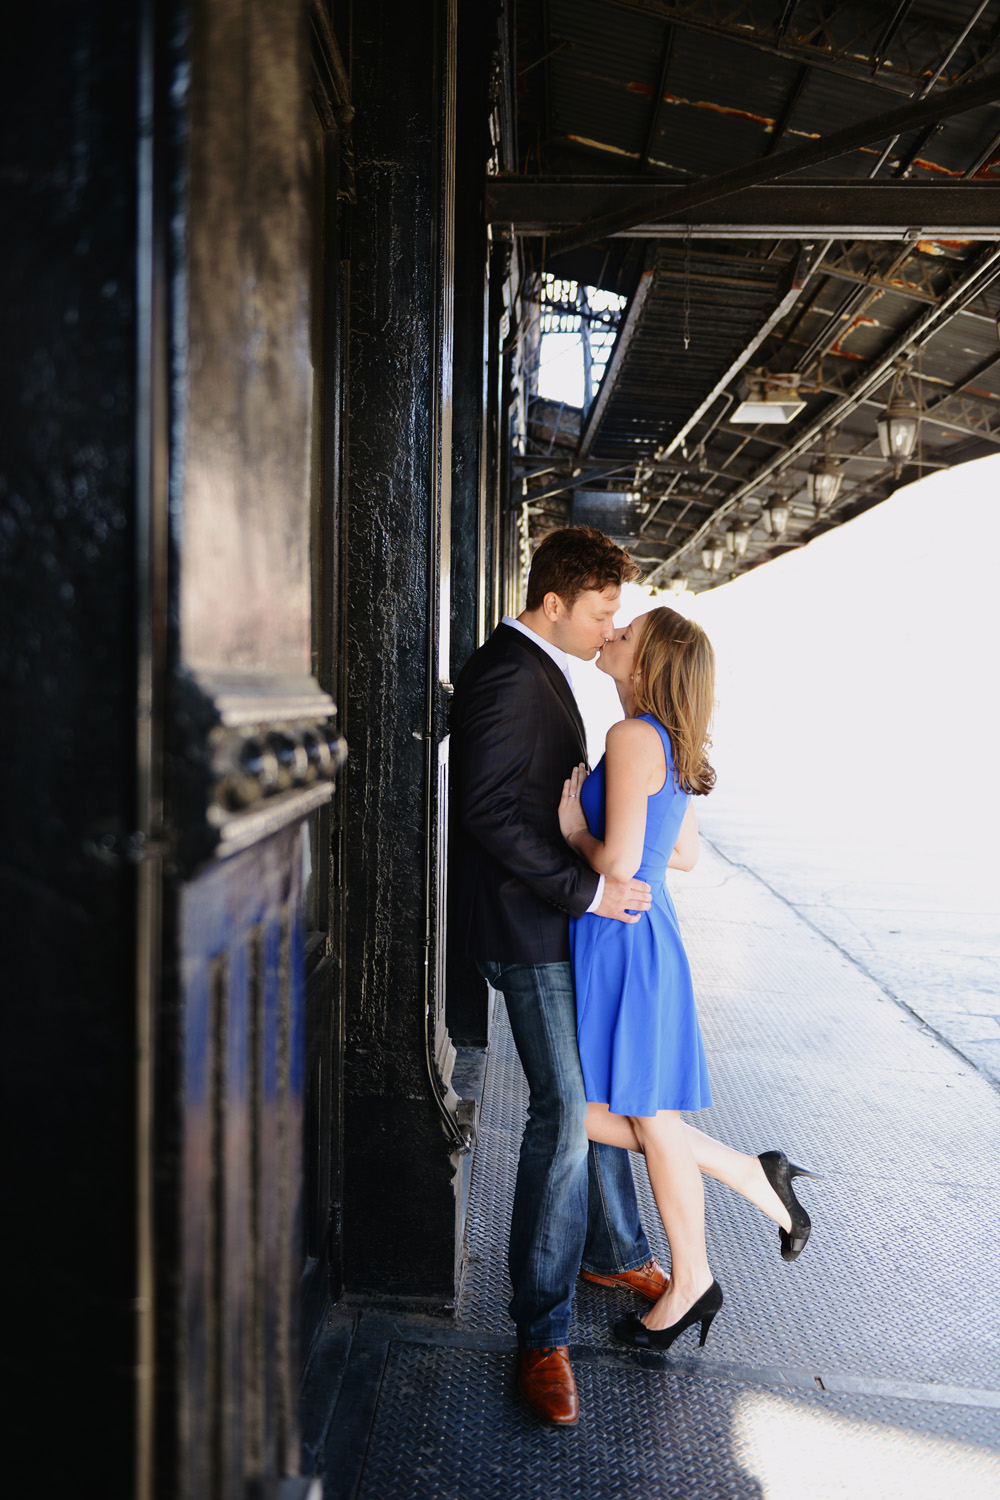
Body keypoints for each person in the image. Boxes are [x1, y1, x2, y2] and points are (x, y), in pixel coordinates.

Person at [449, 526, 667, 1427]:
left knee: (587, 1094)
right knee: (561, 1113)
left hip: (552, 920)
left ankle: (612, 1248)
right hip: (532, 928)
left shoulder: (533, 664)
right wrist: (588, 890)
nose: (607, 625)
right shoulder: (508, 675)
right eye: (600, 610)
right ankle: (541, 1333)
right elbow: (490, 814)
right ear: (552, 603)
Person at [559, 606, 821, 1351]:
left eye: (628, 634)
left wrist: (575, 821)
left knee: (618, 1116)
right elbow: (680, 855)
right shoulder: (661, 742)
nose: (613, 633)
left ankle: (692, 1280)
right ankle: (750, 1174)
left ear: (648, 665)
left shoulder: (633, 738)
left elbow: (616, 863)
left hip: (623, 939)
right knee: (603, 1114)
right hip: (640, 938)